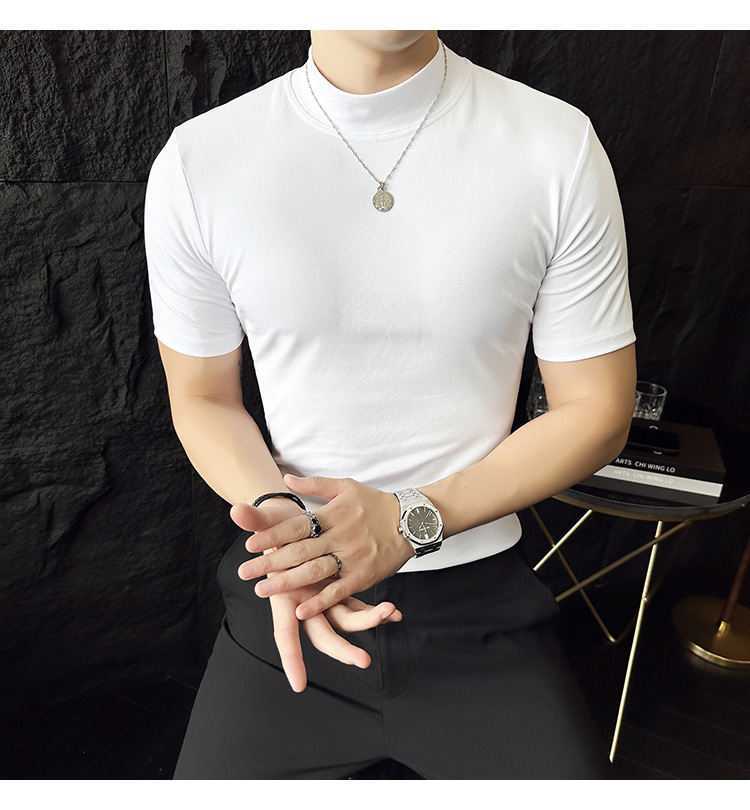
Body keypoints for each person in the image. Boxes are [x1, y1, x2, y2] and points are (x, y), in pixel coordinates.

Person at [144, 29, 637, 779]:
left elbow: (598, 407)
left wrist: (410, 517)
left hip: (481, 610)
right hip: (292, 600)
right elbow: (203, 397)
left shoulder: (555, 146)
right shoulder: (199, 161)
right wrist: (290, 534)